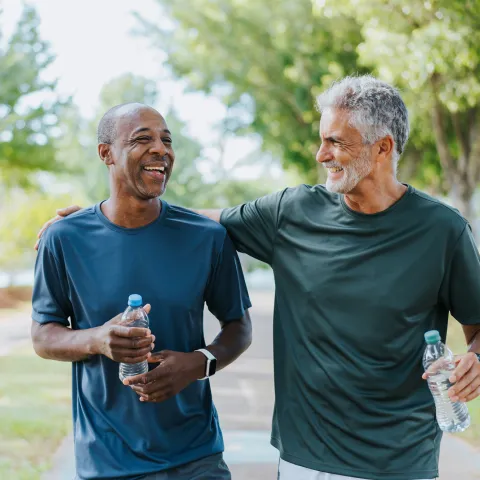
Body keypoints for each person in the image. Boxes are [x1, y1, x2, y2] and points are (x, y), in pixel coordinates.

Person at [36, 76, 480, 480]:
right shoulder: (292, 212)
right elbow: (198, 221)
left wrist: (473, 362)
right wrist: (102, 217)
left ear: (382, 148)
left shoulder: (442, 230)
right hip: (305, 459)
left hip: (400, 461)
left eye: (335, 142)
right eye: (321, 140)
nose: (320, 154)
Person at [31, 103, 252, 480]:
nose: (161, 150)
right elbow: (42, 336)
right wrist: (98, 339)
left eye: (166, 140)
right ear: (107, 154)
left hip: (196, 457)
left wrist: (199, 363)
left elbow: (239, 326)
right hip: (108, 461)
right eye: (142, 139)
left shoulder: (207, 238)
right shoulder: (64, 238)